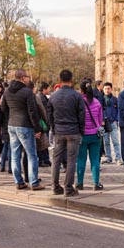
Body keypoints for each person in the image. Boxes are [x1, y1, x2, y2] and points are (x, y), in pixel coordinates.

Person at [1, 69, 44, 191]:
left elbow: (3, 109)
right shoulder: (27, 92)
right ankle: (34, 183)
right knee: (32, 155)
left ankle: (19, 182)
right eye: (27, 76)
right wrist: (37, 128)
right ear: (22, 78)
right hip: (25, 126)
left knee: (15, 155)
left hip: (12, 125)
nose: (29, 78)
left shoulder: (7, 91)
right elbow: (32, 111)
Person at [47, 69, 85, 197]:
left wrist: (53, 127)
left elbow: (49, 115)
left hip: (59, 131)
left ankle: (55, 186)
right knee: (71, 160)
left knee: (56, 160)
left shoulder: (53, 96)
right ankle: (68, 188)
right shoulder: (77, 96)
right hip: (73, 130)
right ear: (71, 80)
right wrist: (81, 130)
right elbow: (81, 116)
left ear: (59, 80)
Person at [78, 79, 104, 190]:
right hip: (95, 135)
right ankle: (96, 183)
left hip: (82, 135)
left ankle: (80, 183)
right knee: (95, 160)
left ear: (81, 90)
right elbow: (100, 120)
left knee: (81, 160)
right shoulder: (97, 102)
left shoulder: (78, 102)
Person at [102, 82, 121, 164]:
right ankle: (109, 157)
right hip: (104, 123)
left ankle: (118, 158)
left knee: (115, 141)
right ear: (103, 89)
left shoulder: (115, 99)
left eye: (108, 88)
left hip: (113, 122)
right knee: (106, 142)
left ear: (111, 89)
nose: (107, 90)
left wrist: (116, 119)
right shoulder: (101, 99)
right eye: (105, 89)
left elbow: (118, 110)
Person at [35, 82, 52, 167]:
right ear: (44, 89)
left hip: (44, 123)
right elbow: (44, 111)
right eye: (48, 88)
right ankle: (43, 160)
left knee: (44, 143)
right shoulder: (40, 98)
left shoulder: (41, 97)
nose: (49, 90)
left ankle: (45, 159)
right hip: (43, 123)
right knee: (43, 143)